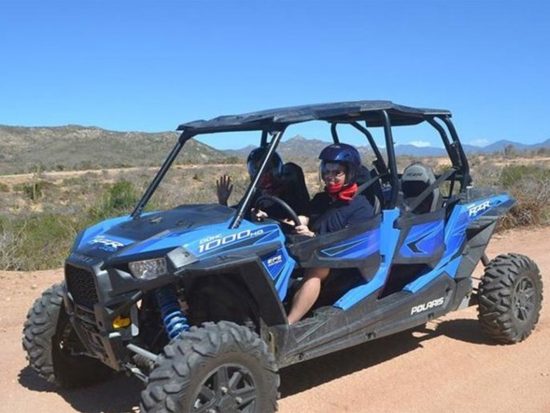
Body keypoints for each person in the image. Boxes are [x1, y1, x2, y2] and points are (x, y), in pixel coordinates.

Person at [287, 143, 374, 324]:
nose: (330, 177)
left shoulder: (361, 206)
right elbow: (305, 218)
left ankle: (289, 324)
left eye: (337, 173)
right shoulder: (321, 199)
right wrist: (284, 220)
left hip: (342, 261)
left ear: (350, 173)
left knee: (317, 268)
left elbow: (352, 242)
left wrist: (314, 238)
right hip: (311, 251)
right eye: (326, 171)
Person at [216, 147, 310, 222]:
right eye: (256, 169)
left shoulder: (290, 195)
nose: (263, 173)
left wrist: (268, 220)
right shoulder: (256, 194)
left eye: (267, 168)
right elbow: (236, 216)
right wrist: (223, 202)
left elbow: (301, 221)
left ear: (276, 169)